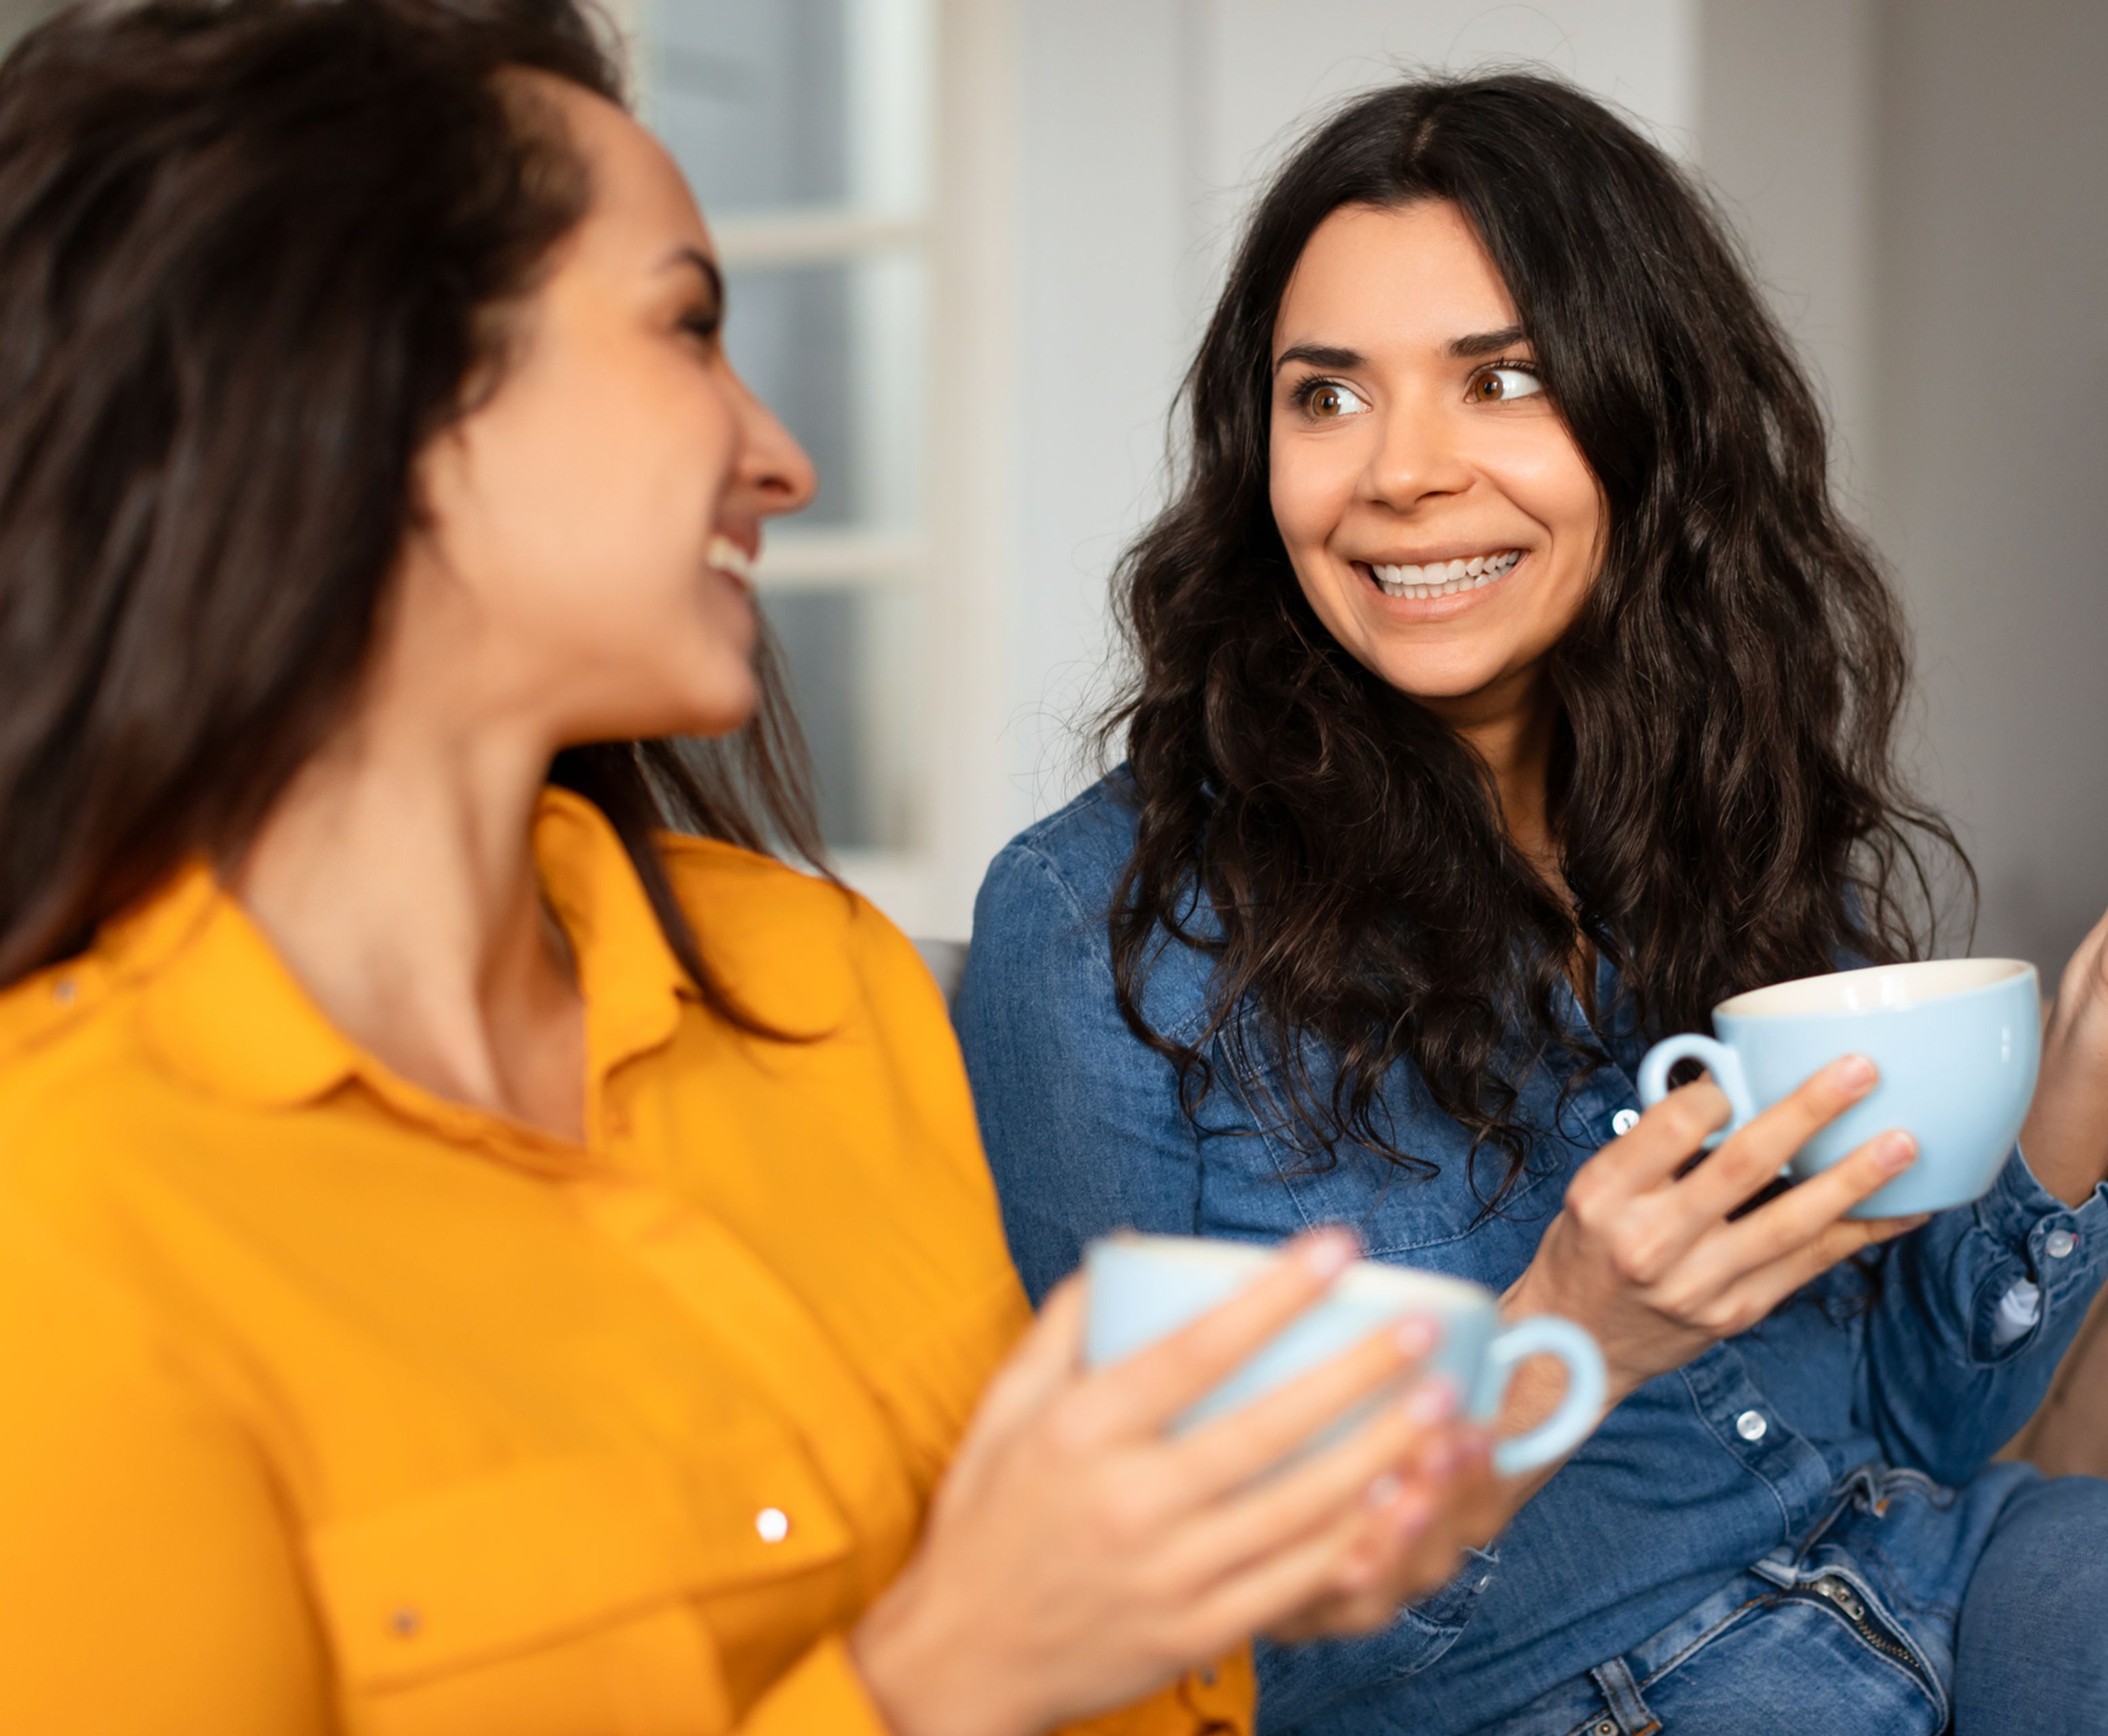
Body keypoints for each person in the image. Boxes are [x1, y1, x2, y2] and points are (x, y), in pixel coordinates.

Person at [957, 72, 2108, 1736]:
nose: (1401, 472)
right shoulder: (1098, 924)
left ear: (1642, 413)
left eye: (1501, 379)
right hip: (1545, 1698)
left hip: (1921, 1580)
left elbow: (1920, 1410)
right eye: (1329, 398)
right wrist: (1560, 1340)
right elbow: (1167, 1642)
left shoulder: (1709, 819)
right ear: (1260, 451)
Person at [0, 6, 1492, 1733]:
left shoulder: (817, 983)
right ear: (361, 393)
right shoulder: (66, 1213)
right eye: (686, 327)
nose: (779, 453)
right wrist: (936, 1681)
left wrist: (1208, 1577)